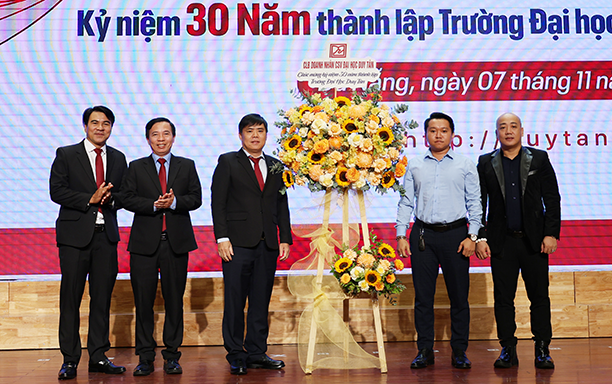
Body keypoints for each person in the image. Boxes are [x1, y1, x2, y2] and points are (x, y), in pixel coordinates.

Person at [396, 112, 482, 370]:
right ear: (425, 136)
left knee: (459, 296)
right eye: (433, 131)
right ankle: (424, 350)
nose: (438, 135)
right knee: (423, 297)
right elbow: (406, 202)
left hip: (457, 236)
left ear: (452, 135)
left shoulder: (465, 164)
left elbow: (475, 204)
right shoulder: (414, 164)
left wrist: (472, 237)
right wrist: (401, 234)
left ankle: (459, 351)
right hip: (423, 236)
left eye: (443, 130)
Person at [475, 112, 561, 369]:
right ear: (496, 133)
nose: (508, 131)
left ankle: (542, 348)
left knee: (539, 297)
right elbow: (478, 202)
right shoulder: (486, 162)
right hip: (502, 242)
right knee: (503, 298)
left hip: (534, 241)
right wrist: (480, 237)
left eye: (513, 126)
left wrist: (551, 233)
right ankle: (507, 349)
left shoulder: (539, 158)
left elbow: (552, 198)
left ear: (522, 131)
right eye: (503, 127)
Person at [211, 113, 292, 375]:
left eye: (260, 131)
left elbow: (282, 204)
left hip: (267, 243)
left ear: (267, 135)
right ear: (240, 135)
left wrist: (285, 238)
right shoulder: (228, 162)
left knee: (260, 300)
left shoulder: (276, 165)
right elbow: (218, 202)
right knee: (235, 299)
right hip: (237, 243)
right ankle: (236, 354)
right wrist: (222, 238)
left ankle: (256, 352)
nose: (255, 135)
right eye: (249, 131)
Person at [50, 106, 128, 380]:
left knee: (101, 299)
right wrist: (90, 199)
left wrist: (111, 200)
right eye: (94, 123)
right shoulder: (66, 154)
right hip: (74, 238)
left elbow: (124, 196)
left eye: (106, 123)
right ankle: (70, 359)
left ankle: (98, 356)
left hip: (105, 238)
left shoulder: (118, 158)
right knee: (70, 298)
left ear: (111, 128)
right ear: (85, 126)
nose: (100, 128)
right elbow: (56, 191)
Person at [120, 117, 202, 376]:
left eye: (166, 134)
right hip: (144, 245)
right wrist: (153, 205)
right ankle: (145, 357)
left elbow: (196, 198)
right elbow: (125, 198)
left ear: (173, 137)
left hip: (175, 244)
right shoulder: (136, 167)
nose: (161, 139)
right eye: (155, 134)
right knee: (143, 302)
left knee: (174, 301)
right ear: (148, 139)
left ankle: (172, 356)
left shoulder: (186, 166)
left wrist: (176, 202)